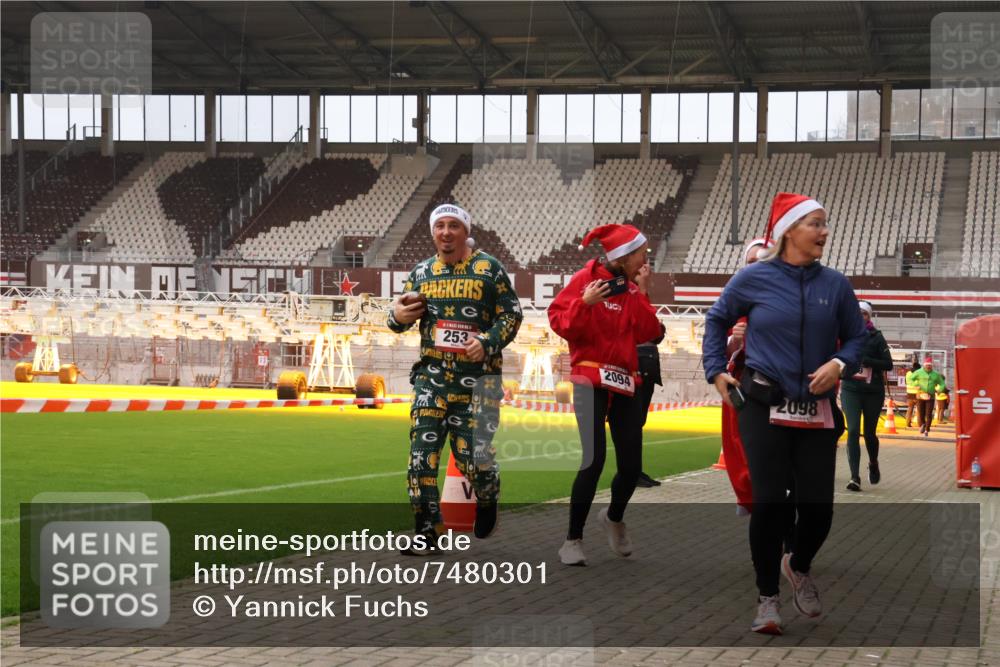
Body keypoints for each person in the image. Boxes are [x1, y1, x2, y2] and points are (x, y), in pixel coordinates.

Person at [703, 192, 867, 635]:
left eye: (825, 223)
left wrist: (839, 364)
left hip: (816, 410)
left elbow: (857, 338)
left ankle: (798, 564)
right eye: (816, 223)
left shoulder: (835, 285)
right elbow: (716, 320)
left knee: (819, 510)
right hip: (762, 404)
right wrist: (716, 371)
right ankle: (767, 600)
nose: (825, 232)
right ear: (789, 231)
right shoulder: (753, 278)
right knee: (769, 504)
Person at [387, 203, 523, 552]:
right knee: (421, 457)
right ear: (433, 233)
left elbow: (511, 315)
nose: (445, 232)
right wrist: (397, 315)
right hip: (432, 380)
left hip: (479, 383)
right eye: (439, 226)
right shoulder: (420, 273)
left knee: (473, 461)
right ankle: (426, 532)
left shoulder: (489, 270)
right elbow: (398, 318)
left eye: (453, 226)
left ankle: (488, 494)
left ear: (465, 231)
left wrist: (487, 341)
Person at [548, 224, 662, 566]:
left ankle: (613, 517)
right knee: (593, 460)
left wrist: (642, 292)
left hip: (626, 381)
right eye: (642, 253)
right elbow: (560, 322)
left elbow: (650, 332)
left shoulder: (629, 289)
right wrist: (584, 304)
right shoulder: (585, 278)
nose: (646, 258)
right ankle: (572, 540)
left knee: (631, 467)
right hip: (589, 378)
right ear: (624, 256)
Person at [720, 238, 771, 514]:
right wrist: (734, 343)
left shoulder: (789, 296)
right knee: (740, 445)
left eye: (762, 261)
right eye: (751, 262)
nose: (756, 267)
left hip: (779, 389)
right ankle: (749, 494)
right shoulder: (734, 299)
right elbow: (718, 344)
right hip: (743, 384)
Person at [840, 300, 894, 492]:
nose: (861, 317)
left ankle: (873, 462)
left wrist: (867, 361)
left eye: (864, 314)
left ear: (869, 317)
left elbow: (888, 364)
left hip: (873, 391)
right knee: (853, 430)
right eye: (858, 313)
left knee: (869, 433)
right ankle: (854, 477)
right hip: (850, 389)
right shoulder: (845, 334)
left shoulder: (877, 337)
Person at [636, 322, 666, 488]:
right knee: (633, 424)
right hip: (638, 365)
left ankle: (636, 471)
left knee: (638, 423)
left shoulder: (644, 307)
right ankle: (631, 472)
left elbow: (658, 334)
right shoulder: (631, 304)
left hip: (647, 364)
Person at [913, 357, 947, 437]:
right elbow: (910, 379)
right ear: (924, 366)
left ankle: (927, 429)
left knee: (928, 414)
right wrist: (916, 385)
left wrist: (940, 390)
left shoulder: (936, 374)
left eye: (930, 366)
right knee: (920, 413)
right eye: (927, 365)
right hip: (920, 395)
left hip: (930, 396)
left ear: (932, 366)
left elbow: (942, 384)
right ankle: (922, 425)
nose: (928, 367)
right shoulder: (918, 372)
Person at [904, 361, 921, 428]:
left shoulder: (908, 373)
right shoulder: (918, 373)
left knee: (910, 409)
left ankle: (907, 423)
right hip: (917, 393)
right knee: (919, 410)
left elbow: (906, 382)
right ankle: (920, 424)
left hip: (909, 393)